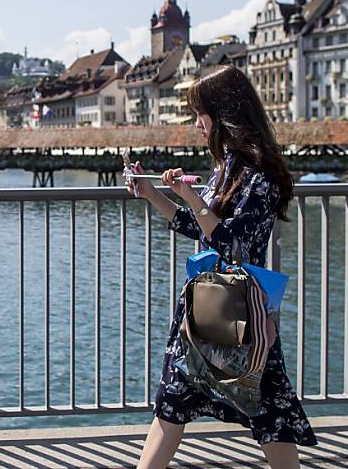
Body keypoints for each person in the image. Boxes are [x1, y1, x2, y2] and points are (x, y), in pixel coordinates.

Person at [125, 65, 316, 469]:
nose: (196, 124)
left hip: (241, 308)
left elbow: (234, 244)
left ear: (223, 113)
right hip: (205, 304)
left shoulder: (259, 175)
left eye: (200, 113)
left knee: (270, 417)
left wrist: (195, 199)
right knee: (171, 406)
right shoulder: (226, 166)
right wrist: (152, 194)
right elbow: (195, 226)